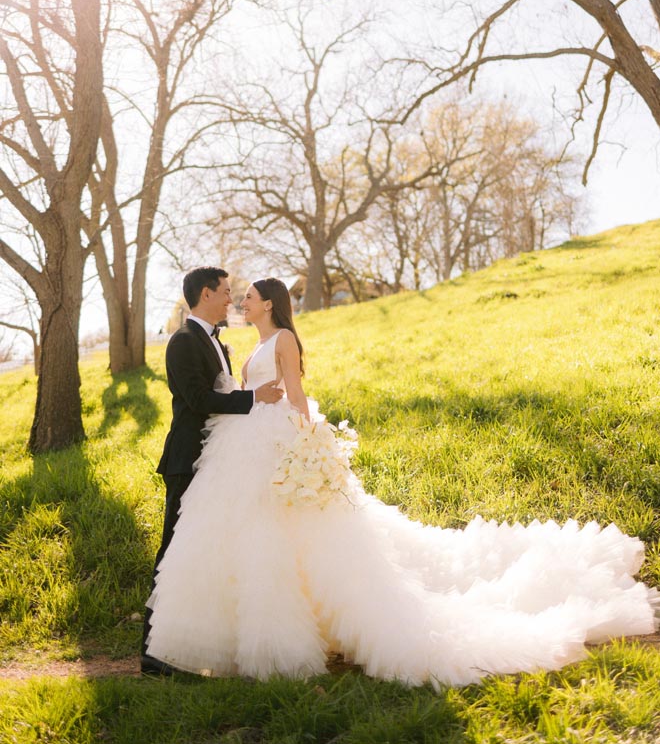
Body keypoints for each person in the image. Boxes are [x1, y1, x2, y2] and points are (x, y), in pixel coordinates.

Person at [145, 277, 659, 687]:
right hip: (245, 449)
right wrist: (260, 407)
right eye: (234, 294)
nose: (240, 300)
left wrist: (309, 443)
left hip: (274, 444)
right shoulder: (214, 341)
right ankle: (199, 641)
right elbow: (225, 396)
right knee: (251, 541)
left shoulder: (279, 339)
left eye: (249, 296)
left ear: (269, 304)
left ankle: (285, 639)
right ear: (206, 295)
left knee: (291, 537)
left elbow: (295, 396)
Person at [141, 267, 283, 675]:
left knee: (197, 553)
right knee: (172, 549)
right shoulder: (184, 342)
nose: (230, 299)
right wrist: (252, 398)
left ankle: (193, 641)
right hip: (187, 459)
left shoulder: (215, 342)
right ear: (206, 294)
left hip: (215, 460)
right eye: (224, 292)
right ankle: (152, 650)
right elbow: (200, 400)